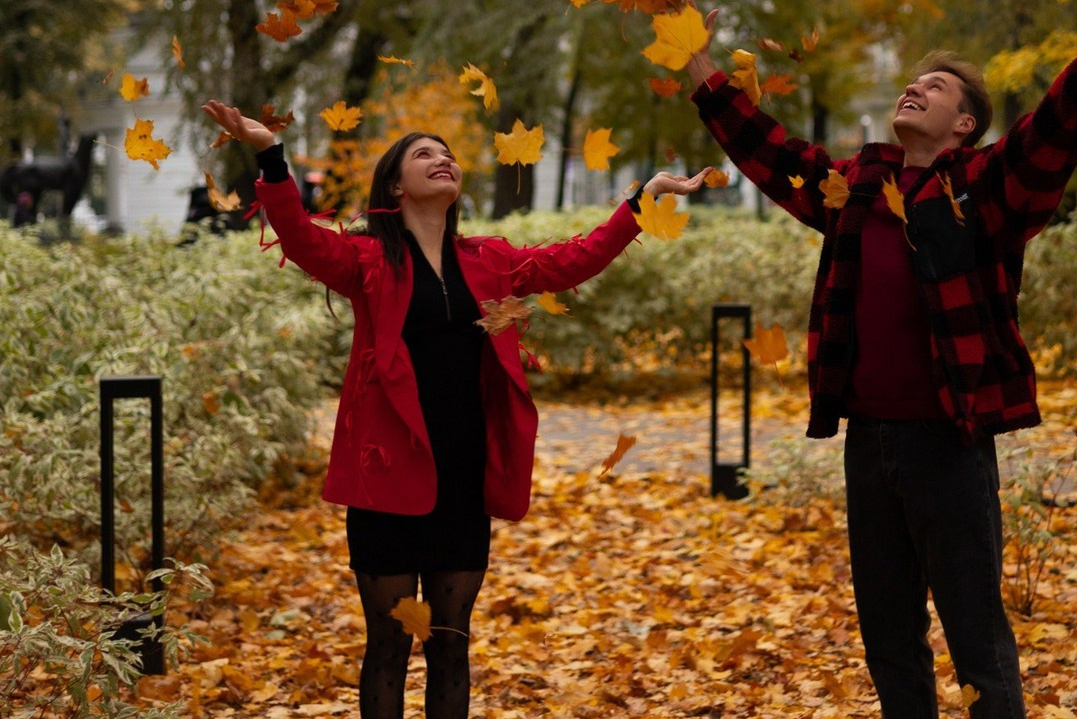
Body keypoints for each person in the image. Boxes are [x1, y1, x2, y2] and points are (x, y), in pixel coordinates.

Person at [685, 0, 1077, 719]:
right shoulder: (857, 185)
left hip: (949, 445)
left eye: (935, 87)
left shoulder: (984, 189)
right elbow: (769, 152)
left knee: (975, 637)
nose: (914, 89)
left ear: (964, 123)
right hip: (868, 444)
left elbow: (1049, 138)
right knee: (888, 638)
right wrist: (696, 61)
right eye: (912, 82)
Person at [201, 99, 711, 719]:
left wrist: (643, 201)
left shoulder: (489, 259)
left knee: (451, 645)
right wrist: (269, 154)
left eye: (448, 153)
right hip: (385, 475)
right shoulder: (367, 259)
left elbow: (575, 258)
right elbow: (303, 239)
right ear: (395, 184)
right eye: (424, 154)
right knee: (387, 644)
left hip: (462, 475)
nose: (443, 159)